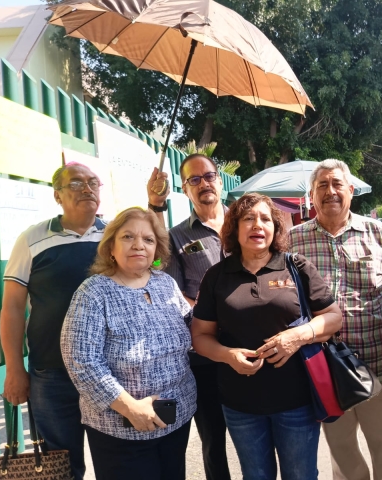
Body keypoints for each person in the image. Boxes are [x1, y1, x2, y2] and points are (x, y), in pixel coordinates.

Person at [191, 193, 342, 480]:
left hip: (297, 400)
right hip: (240, 404)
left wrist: (298, 336)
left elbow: (333, 317)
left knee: (301, 475)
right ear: (234, 228)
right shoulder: (217, 276)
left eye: (264, 219)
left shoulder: (296, 266)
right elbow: (200, 335)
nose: (257, 225)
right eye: (248, 219)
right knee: (255, 476)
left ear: (275, 228)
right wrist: (227, 355)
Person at [288, 159, 382, 480]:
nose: (330, 192)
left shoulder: (379, 233)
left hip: (377, 361)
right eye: (322, 186)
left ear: (351, 191)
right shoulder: (292, 241)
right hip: (322, 368)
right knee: (341, 450)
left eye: (337, 184)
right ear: (311, 195)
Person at [61, 207, 196, 480]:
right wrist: (130, 408)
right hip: (120, 429)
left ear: (157, 249)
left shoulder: (165, 283)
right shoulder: (94, 292)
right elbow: (82, 362)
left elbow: (191, 329)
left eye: (148, 239)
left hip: (176, 420)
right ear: (111, 246)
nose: (139, 245)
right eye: (127, 237)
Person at [1, 162, 105, 479]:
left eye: (93, 182)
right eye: (76, 183)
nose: (87, 188)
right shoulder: (31, 239)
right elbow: (13, 307)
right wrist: (14, 369)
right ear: (57, 195)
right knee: (61, 467)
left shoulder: (117, 235)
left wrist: (156, 206)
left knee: (117, 461)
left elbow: (157, 265)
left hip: (109, 372)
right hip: (52, 375)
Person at [147, 153, 232, 480]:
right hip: (204, 354)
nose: (204, 184)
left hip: (252, 347)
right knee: (214, 439)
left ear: (219, 180)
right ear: (185, 189)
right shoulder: (177, 237)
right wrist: (154, 204)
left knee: (257, 435)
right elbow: (163, 281)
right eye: (194, 180)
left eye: (208, 176)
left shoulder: (246, 224)